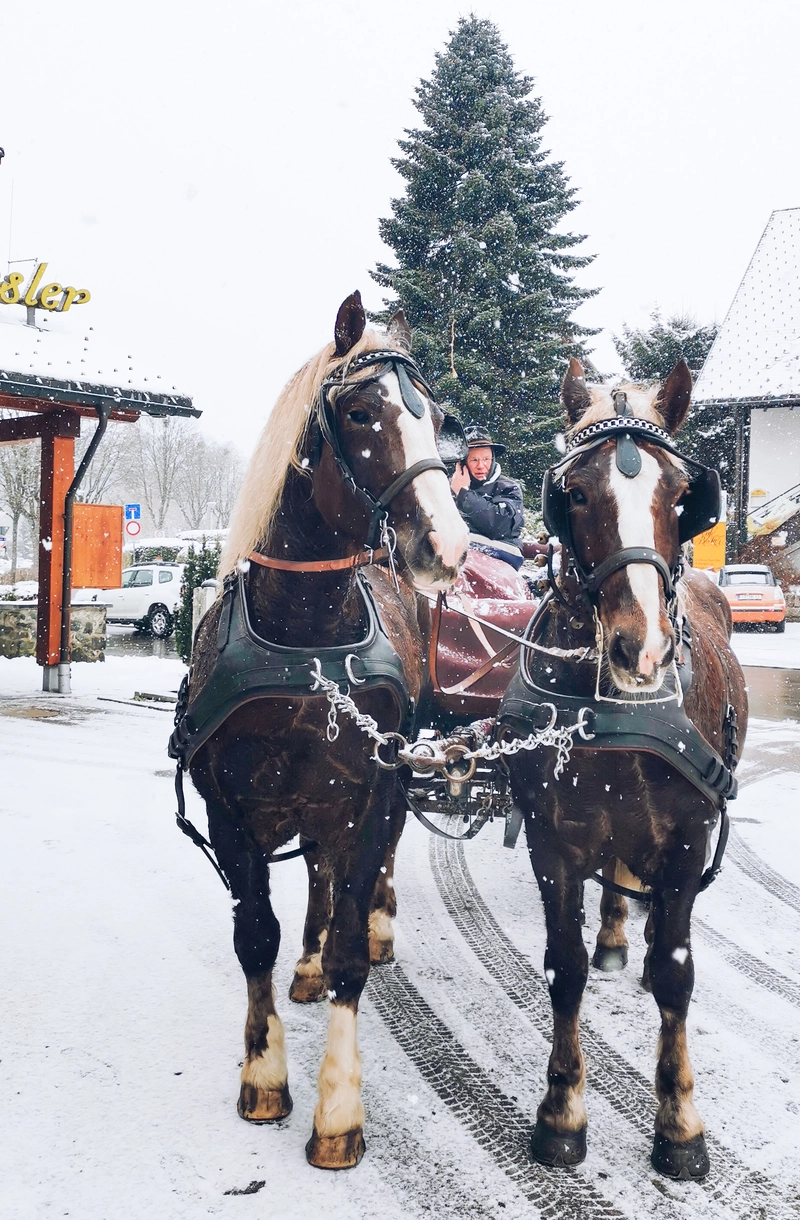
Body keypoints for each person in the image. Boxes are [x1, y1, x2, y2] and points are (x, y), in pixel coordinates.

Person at [450, 426, 525, 543]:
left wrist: (464, 494)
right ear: (463, 463)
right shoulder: (446, 488)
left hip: (500, 555)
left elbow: (500, 526)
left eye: (486, 459)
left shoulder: (509, 488)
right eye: (474, 460)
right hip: (457, 553)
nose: (480, 465)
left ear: (493, 459)